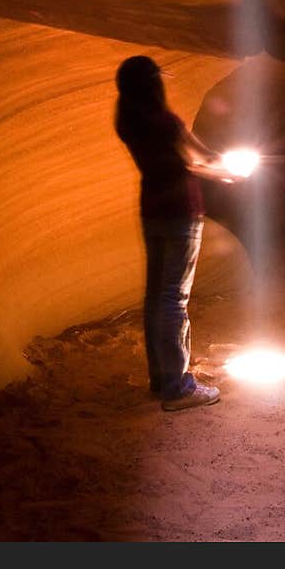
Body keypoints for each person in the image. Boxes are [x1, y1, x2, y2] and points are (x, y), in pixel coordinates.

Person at [114, 54, 230, 412]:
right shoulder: (166, 122)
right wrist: (228, 168)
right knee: (173, 299)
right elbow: (203, 158)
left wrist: (210, 170)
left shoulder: (127, 121)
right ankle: (178, 387)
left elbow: (178, 163)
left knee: (155, 298)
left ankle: (160, 379)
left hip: (152, 210)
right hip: (182, 211)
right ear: (154, 84)